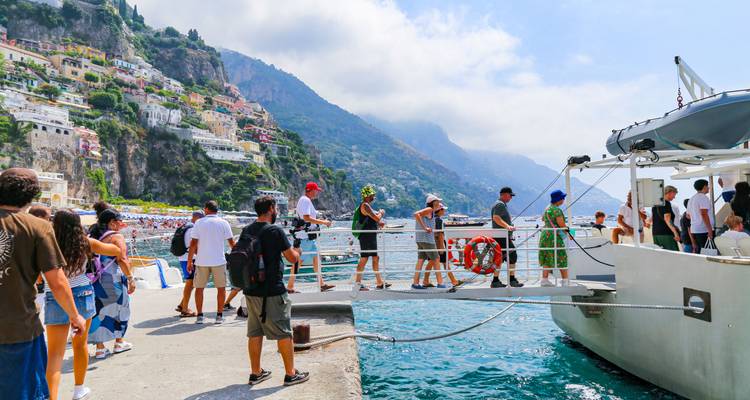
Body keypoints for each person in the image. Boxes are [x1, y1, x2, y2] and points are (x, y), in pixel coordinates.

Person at [0, 168, 85, 400]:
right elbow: (56, 281)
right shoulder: (39, 227)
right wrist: (75, 315)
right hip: (18, 327)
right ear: (32, 196)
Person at [45, 209, 121, 400]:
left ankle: (51, 397)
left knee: (55, 353)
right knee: (80, 345)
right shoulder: (85, 243)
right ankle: (79, 390)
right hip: (82, 293)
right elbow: (116, 251)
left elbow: (39, 274)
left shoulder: (47, 243)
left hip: (55, 295)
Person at [244, 196, 309, 387]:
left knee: (255, 332)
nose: (277, 211)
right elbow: (291, 258)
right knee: (284, 333)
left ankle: (256, 373)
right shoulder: (275, 231)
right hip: (272, 290)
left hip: (251, 289)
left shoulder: (247, 230)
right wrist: (298, 250)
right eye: (276, 208)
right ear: (271, 209)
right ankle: (290, 374)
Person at [89, 208, 136, 359]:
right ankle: (119, 342)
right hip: (113, 279)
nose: (121, 224)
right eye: (119, 221)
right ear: (112, 222)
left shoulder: (93, 235)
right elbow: (122, 259)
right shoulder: (116, 237)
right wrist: (130, 278)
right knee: (120, 309)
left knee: (99, 311)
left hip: (96, 280)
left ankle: (100, 348)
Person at [187, 200, 235, 324]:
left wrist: (189, 262)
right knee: (221, 288)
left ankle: (200, 316)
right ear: (216, 210)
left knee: (199, 289)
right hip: (219, 261)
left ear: (206, 209)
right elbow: (231, 243)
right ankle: (219, 316)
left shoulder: (199, 223)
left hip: (201, 261)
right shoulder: (224, 223)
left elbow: (193, 244)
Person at [286, 182, 334, 293]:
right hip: (304, 238)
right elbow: (306, 218)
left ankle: (321, 284)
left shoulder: (305, 200)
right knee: (298, 263)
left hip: (307, 238)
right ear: (310, 190)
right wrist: (323, 222)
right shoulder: (305, 200)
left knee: (316, 260)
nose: (317, 192)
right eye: (316, 190)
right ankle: (290, 286)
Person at [352, 185, 389, 291]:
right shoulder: (365, 205)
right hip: (366, 236)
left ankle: (379, 282)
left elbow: (373, 218)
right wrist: (381, 213)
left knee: (375, 258)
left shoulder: (367, 205)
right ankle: (358, 284)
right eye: (372, 195)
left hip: (369, 236)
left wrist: (378, 221)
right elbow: (376, 217)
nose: (374, 196)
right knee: (364, 258)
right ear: (367, 196)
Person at [490, 187, 523, 288]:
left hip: (500, 236)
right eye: (510, 195)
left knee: (499, 258)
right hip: (501, 236)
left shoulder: (500, 204)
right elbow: (496, 218)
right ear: (504, 194)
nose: (511, 198)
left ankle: (495, 281)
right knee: (513, 255)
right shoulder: (500, 204)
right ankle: (512, 280)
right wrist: (507, 226)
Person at [539, 190, 571, 287]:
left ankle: (544, 280)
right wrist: (569, 232)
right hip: (554, 236)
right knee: (562, 255)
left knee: (547, 255)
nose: (563, 200)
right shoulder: (557, 210)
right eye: (563, 198)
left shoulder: (547, 209)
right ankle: (565, 280)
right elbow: (561, 225)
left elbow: (542, 219)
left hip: (545, 234)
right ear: (559, 199)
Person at [426, 203, 463, 287]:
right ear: (439, 210)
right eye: (443, 209)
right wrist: (442, 246)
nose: (444, 211)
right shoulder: (438, 220)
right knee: (441, 262)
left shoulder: (431, 219)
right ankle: (453, 281)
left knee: (433, 262)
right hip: (440, 243)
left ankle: (427, 280)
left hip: (433, 242)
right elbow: (440, 234)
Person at [412, 194, 444, 289]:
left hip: (421, 239)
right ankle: (440, 283)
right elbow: (416, 214)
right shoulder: (429, 210)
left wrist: (425, 227)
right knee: (436, 259)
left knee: (421, 260)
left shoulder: (431, 212)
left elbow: (419, 216)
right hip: (427, 240)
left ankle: (415, 283)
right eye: (437, 201)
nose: (439, 203)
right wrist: (425, 227)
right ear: (433, 203)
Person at [175, 211, 204, 318]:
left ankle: (182, 304)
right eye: (201, 218)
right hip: (189, 259)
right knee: (190, 283)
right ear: (196, 217)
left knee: (191, 283)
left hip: (183, 257)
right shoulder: (193, 229)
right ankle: (185, 309)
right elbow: (194, 246)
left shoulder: (186, 226)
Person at [687, 179, 715, 252]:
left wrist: (696, 219)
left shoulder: (691, 199)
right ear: (704, 186)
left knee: (701, 252)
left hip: (695, 229)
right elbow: (704, 213)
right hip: (704, 230)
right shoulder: (703, 197)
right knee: (708, 252)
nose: (708, 188)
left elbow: (688, 215)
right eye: (707, 186)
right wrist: (710, 230)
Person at [651, 186, 681, 251]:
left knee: (661, 256)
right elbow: (667, 219)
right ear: (669, 193)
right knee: (674, 255)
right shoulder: (666, 203)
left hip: (656, 233)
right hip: (666, 234)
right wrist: (675, 233)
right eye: (674, 194)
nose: (674, 197)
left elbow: (652, 218)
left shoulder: (655, 204)